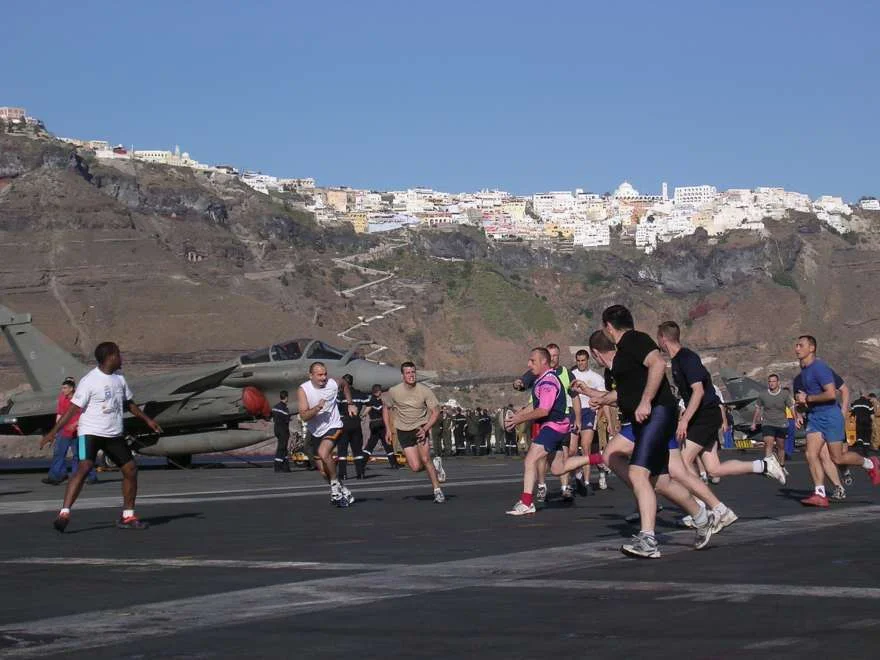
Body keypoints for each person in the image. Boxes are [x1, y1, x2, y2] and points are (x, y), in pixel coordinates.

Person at [594, 306, 715, 558]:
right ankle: (703, 517)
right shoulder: (624, 354)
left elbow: (658, 364)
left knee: (638, 473)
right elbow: (629, 391)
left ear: (608, 326)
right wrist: (597, 396)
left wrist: (647, 401)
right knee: (659, 480)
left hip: (658, 412)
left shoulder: (634, 339)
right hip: (650, 416)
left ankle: (648, 540)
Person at [39, 342, 162, 532]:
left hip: (113, 433)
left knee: (130, 469)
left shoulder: (119, 378)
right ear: (110, 357)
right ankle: (64, 512)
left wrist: (148, 420)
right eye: (119, 355)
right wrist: (53, 432)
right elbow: (73, 408)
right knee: (84, 467)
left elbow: (129, 404)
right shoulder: (90, 380)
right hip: (90, 432)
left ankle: (127, 517)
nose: (122, 358)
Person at [657, 322, 785, 495]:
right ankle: (764, 465)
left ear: (663, 338)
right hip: (703, 416)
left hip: (706, 415)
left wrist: (684, 420)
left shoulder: (686, 358)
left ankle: (700, 506)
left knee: (683, 461)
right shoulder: (677, 362)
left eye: (658, 337)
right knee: (714, 470)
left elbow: (698, 391)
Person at [504, 348, 598, 515]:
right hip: (559, 427)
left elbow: (543, 411)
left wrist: (519, 419)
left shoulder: (548, 382)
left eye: (533, 361)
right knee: (557, 468)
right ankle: (599, 457)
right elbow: (536, 405)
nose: (528, 364)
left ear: (544, 362)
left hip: (553, 426)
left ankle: (526, 502)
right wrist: (518, 415)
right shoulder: (542, 380)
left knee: (530, 460)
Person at [793, 336, 880, 507]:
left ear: (811, 348)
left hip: (830, 416)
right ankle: (819, 493)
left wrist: (810, 399)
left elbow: (832, 394)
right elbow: (804, 403)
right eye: (796, 345)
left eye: (800, 345)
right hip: (815, 417)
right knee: (811, 454)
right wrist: (800, 409)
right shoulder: (801, 375)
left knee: (838, 458)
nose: (796, 348)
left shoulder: (820, 368)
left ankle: (870, 463)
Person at [383, 361, 446, 502]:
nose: (411, 375)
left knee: (425, 459)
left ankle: (437, 491)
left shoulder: (424, 390)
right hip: (403, 430)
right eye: (408, 373)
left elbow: (436, 412)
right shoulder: (394, 391)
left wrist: (425, 428)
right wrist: (388, 429)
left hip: (420, 428)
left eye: (413, 372)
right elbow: (386, 408)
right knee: (416, 467)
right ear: (402, 375)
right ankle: (435, 466)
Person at [297, 362, 357, 507]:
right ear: (310, 376)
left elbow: (345, 384)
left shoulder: (333, 383)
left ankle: (335, 487)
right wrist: (317, 407)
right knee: (324, 473)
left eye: (325, 374)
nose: (323, 378)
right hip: (316, 432)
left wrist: (350, 403)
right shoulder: (303, 390)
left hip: (334, 426)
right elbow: (304, 416)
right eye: (319, 375)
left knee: (324, 453)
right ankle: (343, 490)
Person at [42, 377, 98, 486]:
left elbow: (85, 414)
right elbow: (60, 414)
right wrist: (55, 430)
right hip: (64, 431)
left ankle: (88, 476)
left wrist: (75, 424)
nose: (63, 390)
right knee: (58, 453)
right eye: (62, 388)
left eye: (65, 388)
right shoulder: (62, 398)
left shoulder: (80, 398)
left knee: (80, 455)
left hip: (78, 431)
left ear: (72, 388)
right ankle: (56, 476)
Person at [570, 349, 609, 493]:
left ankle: (586, 481)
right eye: (578, 360)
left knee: (586, 446)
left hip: (589, 412)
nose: (580, 363)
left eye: (583, 360)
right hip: (574, 412)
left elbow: (604, 397)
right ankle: (578, 475)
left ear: (587, 361)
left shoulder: (596, 377)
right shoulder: (571, 375)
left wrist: (600, 415)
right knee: (572, 450)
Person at [751, 374, 793, 470]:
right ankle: (768, 467)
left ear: (778, 383)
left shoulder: (784, 394)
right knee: (768, 443)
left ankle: (782, 465)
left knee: (780, 446)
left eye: (773, 381)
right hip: (767, 423)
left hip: (781, 423)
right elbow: (758, 409)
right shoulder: (763, 395)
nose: (771, 383)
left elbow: (791, 407)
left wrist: (796, 418)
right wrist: (754, 422)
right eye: (770, 381)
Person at [335, 374, 369, 480]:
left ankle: (343, 474)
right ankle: (360, 473)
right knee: (358, 450)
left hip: (343, 424)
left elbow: (334, 407)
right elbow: (371, 402)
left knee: (342, 451)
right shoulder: (360, 394)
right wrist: (363, 413)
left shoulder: (340, 395)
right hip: (356, 423)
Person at [362, 384, 398, 471]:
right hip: (381, 425)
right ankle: (394, 463)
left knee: (370, 445)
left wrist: (362, 415)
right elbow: (389, 406)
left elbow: (365, 412)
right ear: (378, 392)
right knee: (387, 443)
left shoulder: (370, 401)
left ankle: (362, 463)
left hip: (373, 425)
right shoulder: (382, 402)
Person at [271, 390, 292, 473]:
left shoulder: (275, 407)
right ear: (286, 397)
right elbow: (286, 419)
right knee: (282, 448)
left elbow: (272, 416)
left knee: (283, 448)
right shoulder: (285, 409)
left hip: (276, 429)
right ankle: (278, 466)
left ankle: (286, 467)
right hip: (283, 430)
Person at [850, 392, 874, 457]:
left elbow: (852, 414)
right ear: (865, 395)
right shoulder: (869, 403)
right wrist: (873, 423)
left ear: (860, 394)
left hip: (858, 422)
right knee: (866, 437)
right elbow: (872, 416)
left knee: (859, 436)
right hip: (867, 423)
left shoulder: (855, 403)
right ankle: (866, 453)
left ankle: (859, 451)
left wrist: (851, 423)